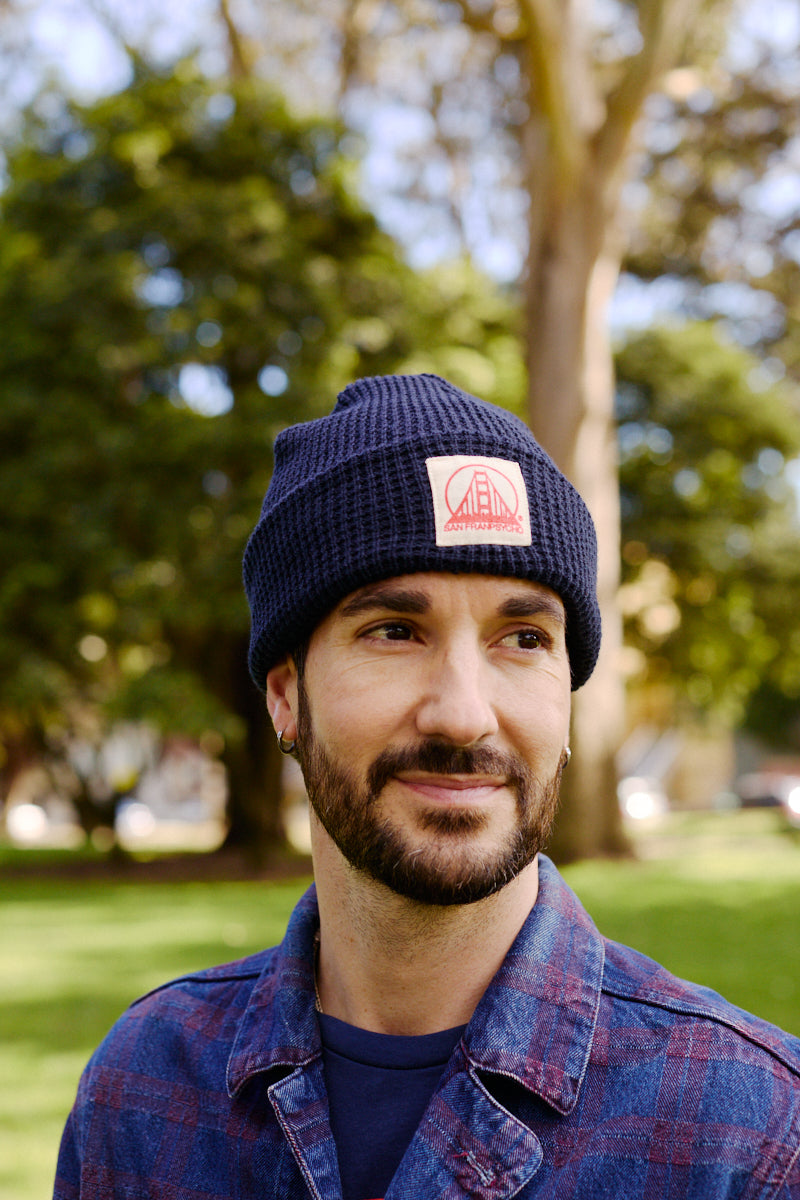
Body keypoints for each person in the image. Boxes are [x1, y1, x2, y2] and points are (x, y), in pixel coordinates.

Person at [54, 373, 800, 1199]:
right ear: (286, 695)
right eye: (395, 631)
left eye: (524, 638)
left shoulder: (752, 1135)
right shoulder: (143, 1089)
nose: (463, 716)